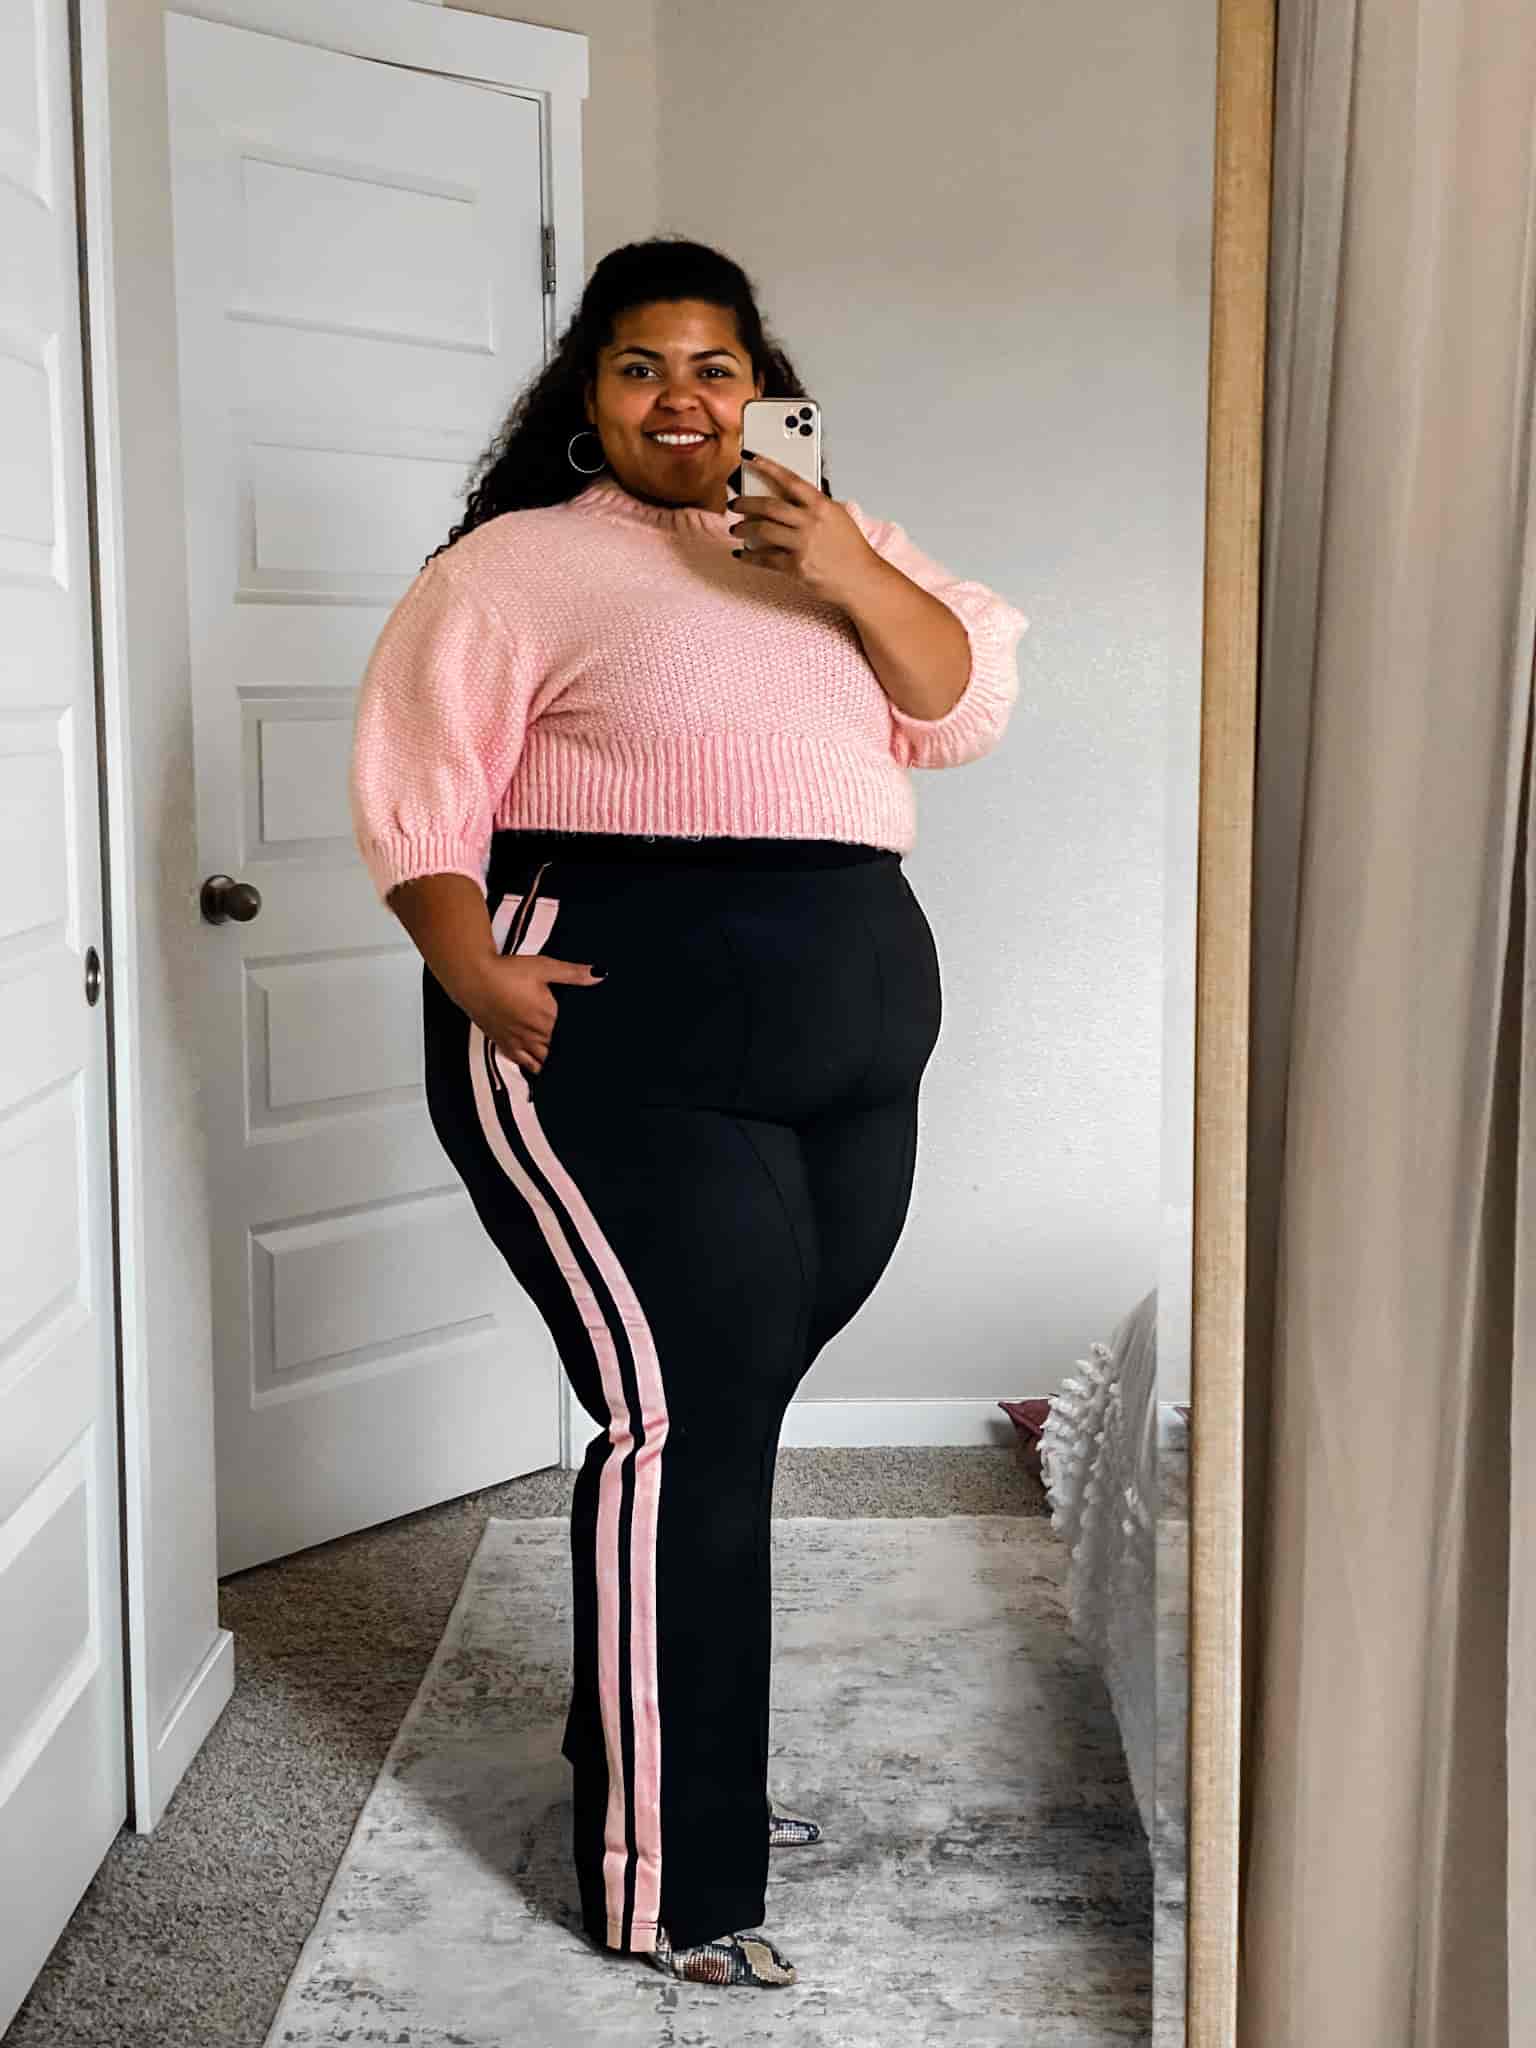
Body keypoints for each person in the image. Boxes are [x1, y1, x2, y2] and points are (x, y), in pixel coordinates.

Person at [348, 236, 1028, 1988]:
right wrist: (470, 970)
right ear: (590, 394)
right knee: (687, 1424)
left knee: (724, 1411)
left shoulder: (835, 543)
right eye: (641, 365)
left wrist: (843, 564)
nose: (681, 398)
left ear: (763, 388)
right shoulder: (516, 565)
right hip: (617, 1031)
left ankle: (650, 1753)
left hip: (846, 1045)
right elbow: (420, 782)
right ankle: (675, 1879)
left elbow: (959, 703)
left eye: (715, 366)